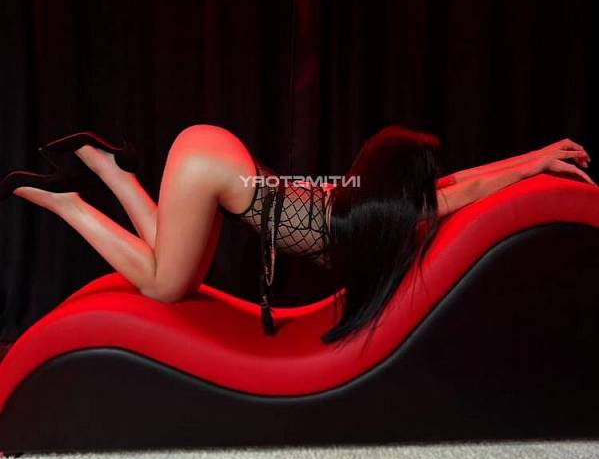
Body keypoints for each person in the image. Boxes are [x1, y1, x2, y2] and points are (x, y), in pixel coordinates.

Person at [0, 125, 594, 343]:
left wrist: (535, 158)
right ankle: (69, 203)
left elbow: (461, 182)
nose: (437, 185)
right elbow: (465, 187)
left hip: (213, 157)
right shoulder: (396, 213)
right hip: (212, 169)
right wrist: (535, 162)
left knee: (174, 274)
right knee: (163, 287)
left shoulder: (377, 205)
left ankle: (112, 169)